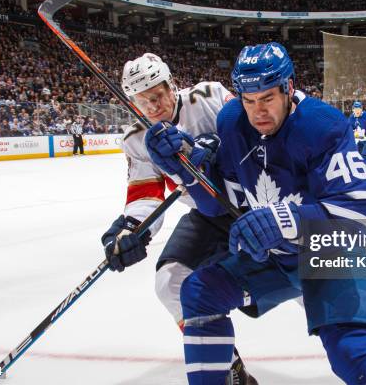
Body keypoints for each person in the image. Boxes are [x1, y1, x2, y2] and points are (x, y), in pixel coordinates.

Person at [145, 43, 366, 385]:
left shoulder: (323, 125)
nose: (258, 111)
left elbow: (357, 212)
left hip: (330, 255)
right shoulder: (232, 122)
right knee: (199, 292)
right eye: (249, 100)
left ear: (288, 87)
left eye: (267, 98)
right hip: (276, 258)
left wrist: (282, 220)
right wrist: (186, 168)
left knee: (352, 354)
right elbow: (218, 203)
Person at [99, 53, 257, 384]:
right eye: (143, 101)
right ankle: (226, 364)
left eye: (157, 95)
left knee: (303, 279)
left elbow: (254, 133)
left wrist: (216, 150)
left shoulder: (209, 96)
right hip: (207, 213)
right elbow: (145, 195)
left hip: (256, 202)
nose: (153, 106)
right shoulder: (136, 139)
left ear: (172, 86)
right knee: (170, 282)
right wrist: (131, 230)